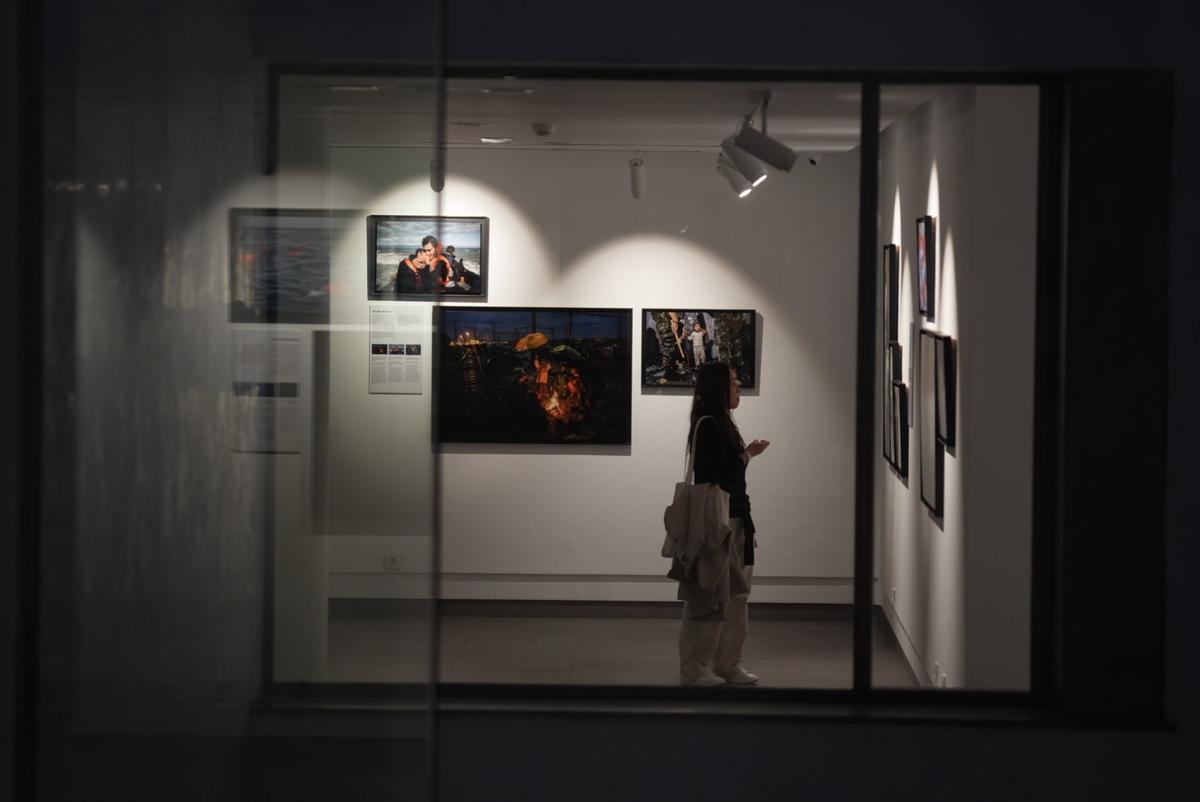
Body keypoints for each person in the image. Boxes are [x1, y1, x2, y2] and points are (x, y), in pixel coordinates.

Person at [678, 361, 769, 687]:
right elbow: (716, 474)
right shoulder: (709, 425)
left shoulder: (722, 423)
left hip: (736, 517)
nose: (739, 387)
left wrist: (745, 454)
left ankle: (727, 664)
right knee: (709, 595)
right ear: (718, 388)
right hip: (718, 521)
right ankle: (696, 668)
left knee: (736, 596)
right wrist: (746, 455)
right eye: (732, 382)